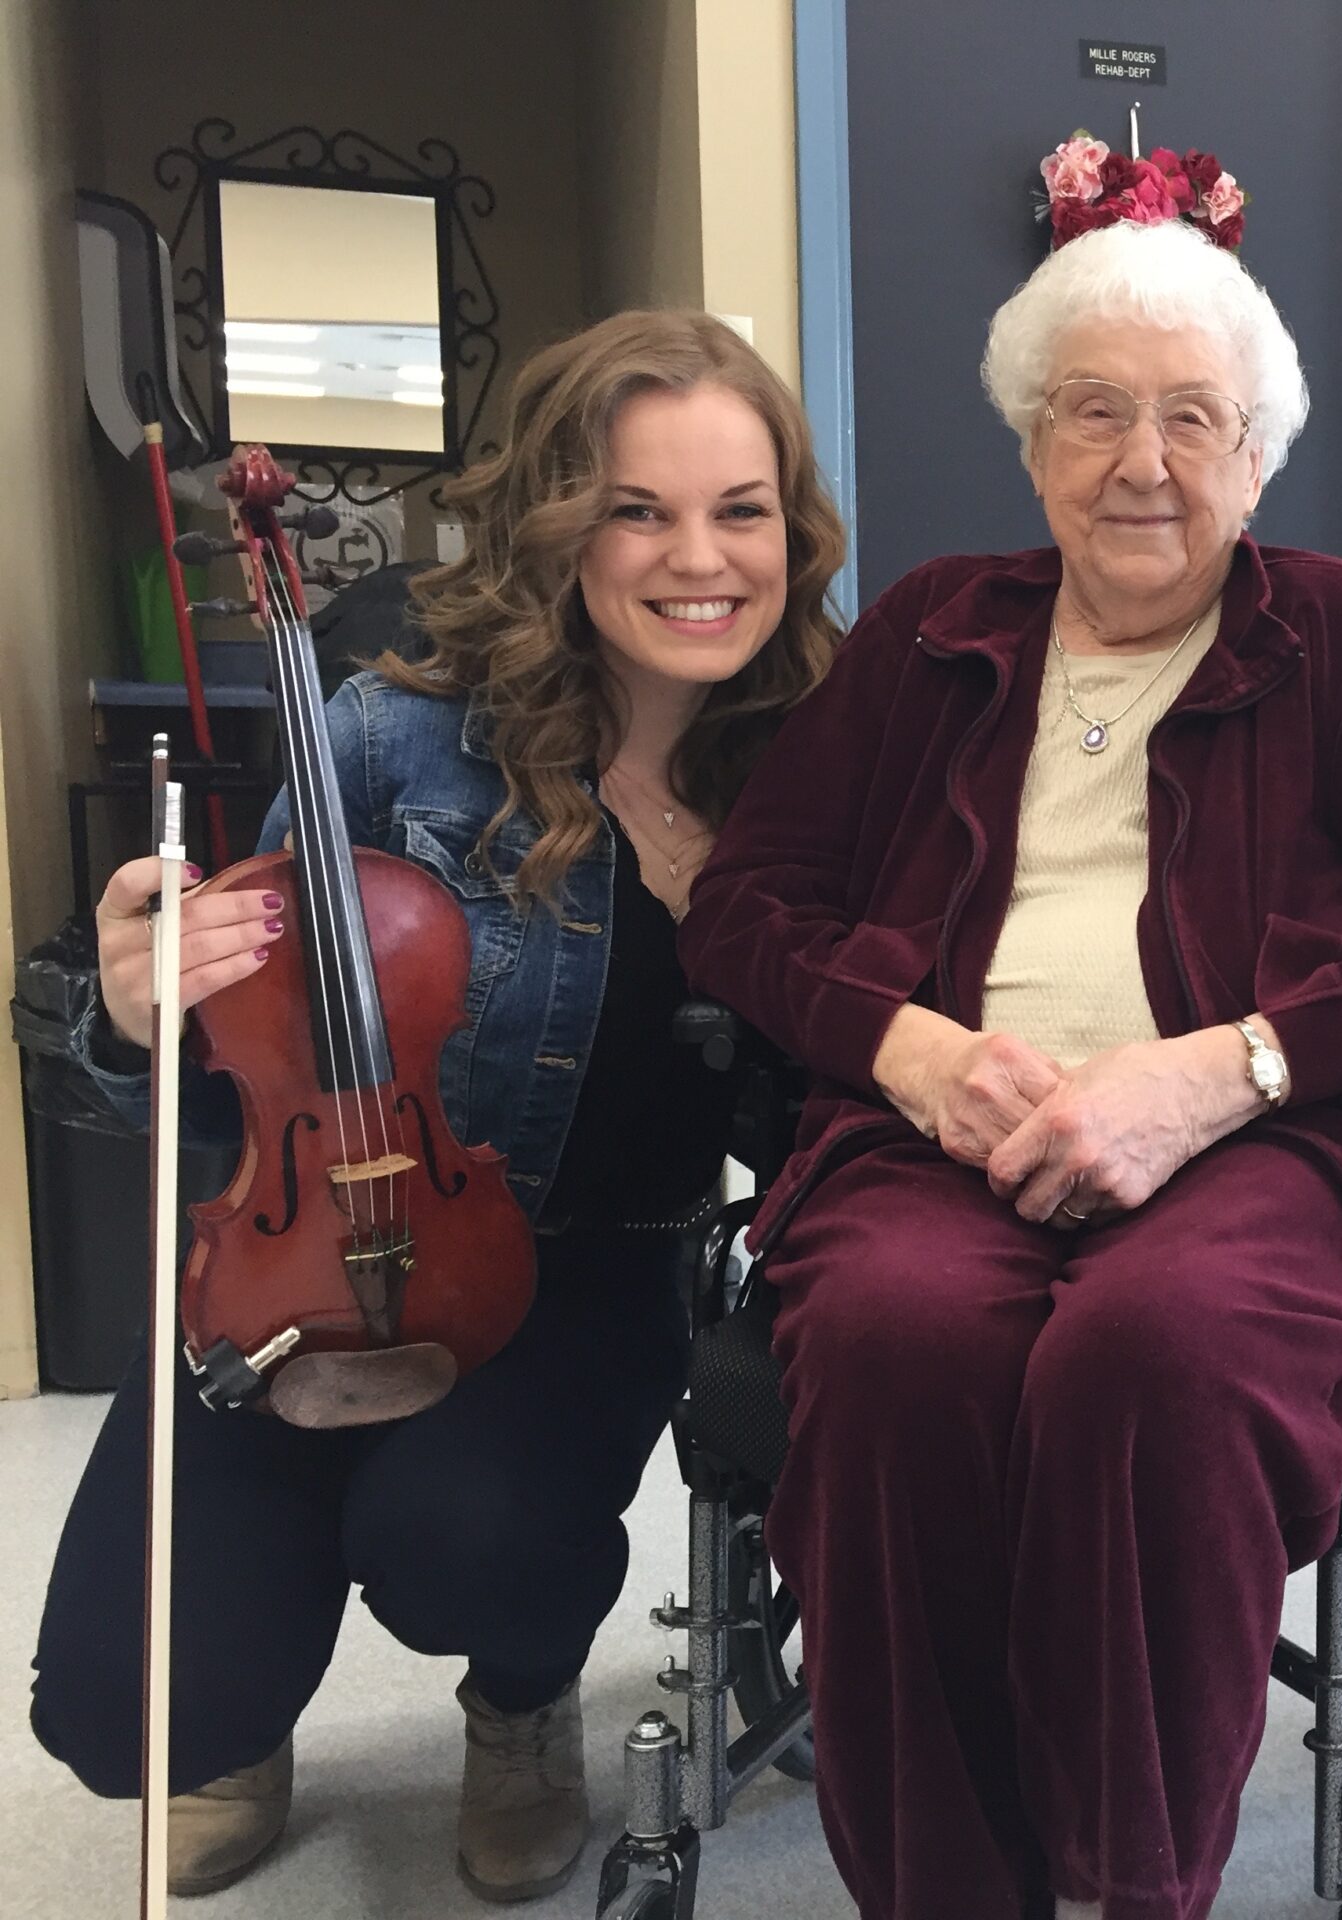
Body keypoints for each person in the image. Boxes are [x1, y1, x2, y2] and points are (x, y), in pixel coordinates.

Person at [677, 218, 1342, 1920]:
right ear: (1031, 443)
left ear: (1258, 457)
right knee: (894, 1339)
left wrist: (1228, 1069)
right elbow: (746, 909)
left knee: (1159, 1347)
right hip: (936, 1136)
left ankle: (1126, 1885)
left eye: (1191, 417)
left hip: (1262, 1150)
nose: (1141, 462)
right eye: (1091, 410)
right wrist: (910, 1049)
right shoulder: (931, 637)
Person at [28, 309, 846, 1902]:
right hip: (307, 1242)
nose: (700, 558)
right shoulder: (394, 730)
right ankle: (238, 1720)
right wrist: (132, 1018)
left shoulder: (822, 767)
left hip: (594, 1257)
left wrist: (740, 931)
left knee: (463, 1541)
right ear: (560, 523)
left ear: (789, 531)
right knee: (126, 1710)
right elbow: (250, 1057)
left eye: (740, 510)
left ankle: (518, 1701)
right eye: (638, 509)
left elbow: (820, 1110)